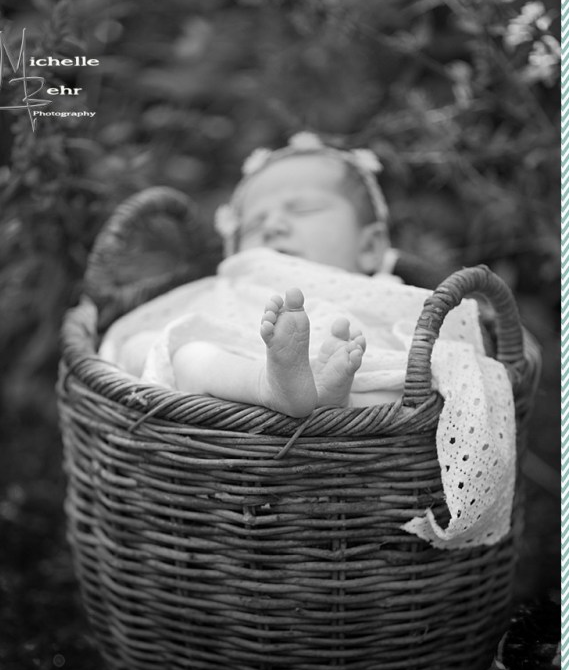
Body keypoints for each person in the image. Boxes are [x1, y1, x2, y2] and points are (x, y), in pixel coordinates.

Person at [98, 133, 517, 550]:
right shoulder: (231, 282)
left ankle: (330, 398)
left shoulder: (384, 291)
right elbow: (148, 340)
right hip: (232, 368)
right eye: (255, 222)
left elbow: (423, 347)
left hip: (350, 370)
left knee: (412, 376)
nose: (273, 224)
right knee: (173, 347)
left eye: (302, 209)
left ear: (370, 247)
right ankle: (270, 385)